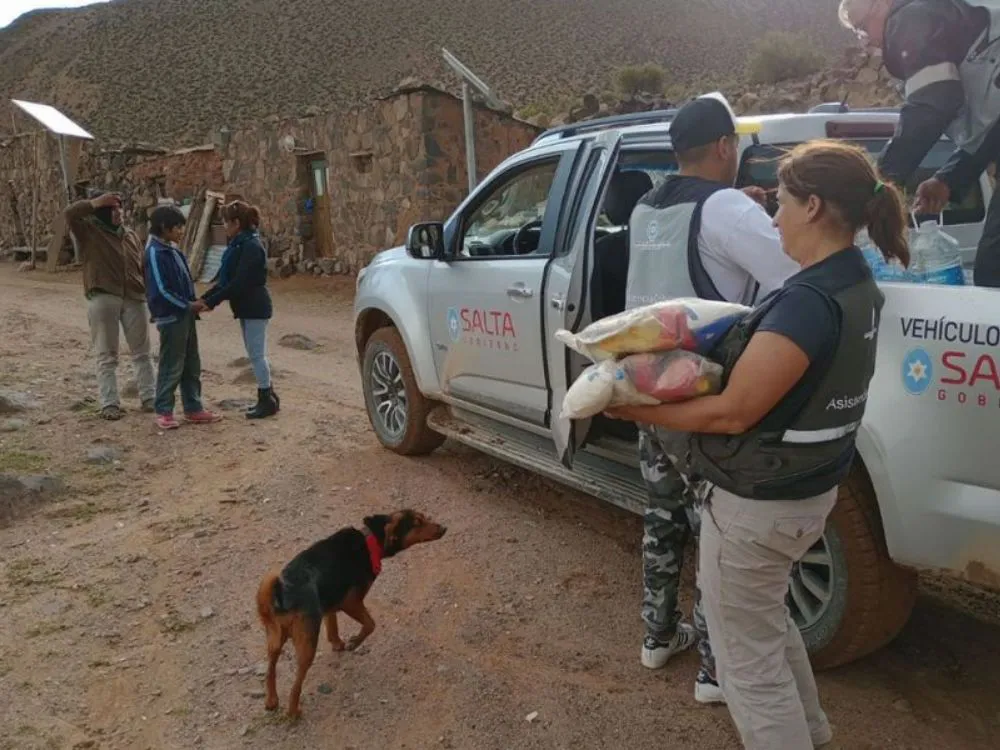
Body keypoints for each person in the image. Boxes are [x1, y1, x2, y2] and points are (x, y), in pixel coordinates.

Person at [609, 140, 905, 749]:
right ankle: (815, 732)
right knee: (767, 623)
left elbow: (733, 411)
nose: (773, 221)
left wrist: (627, 405)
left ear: (814, 207)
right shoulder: (854, 282)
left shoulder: (806, 304)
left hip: (757, 505)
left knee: (749, 667)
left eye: (781, 205)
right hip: (807, 490)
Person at [624, 92, 801, 704]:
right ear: (726, 147)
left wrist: (741, 213)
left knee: (662, 516)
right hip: (707, 402)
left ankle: (655, 636)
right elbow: (798, 272)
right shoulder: (725, 207)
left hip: (651, 392)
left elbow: (696, 249)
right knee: (715, 531)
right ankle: (713, 672)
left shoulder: (648, 205)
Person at [837, 0, 1000, 285]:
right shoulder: (941, 18)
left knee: (994, 269)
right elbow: (993, 127)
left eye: (862, 27)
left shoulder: (909, 19)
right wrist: (947, 180)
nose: (868, 42)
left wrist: (878, 180)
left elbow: (934, 102)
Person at [64, 191, 155, 420]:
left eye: (119, 208)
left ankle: (149, 397)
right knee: (107, 354)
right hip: (104, 296)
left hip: (134, 296)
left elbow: (142, 267)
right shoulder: (89, 231)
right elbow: (69, 214)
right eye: (111, 209)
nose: (117, 213)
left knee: (142, 352)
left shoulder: (131, 236)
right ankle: (110, 403)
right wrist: (95, 202)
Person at [198, 201, 279, 419]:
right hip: (247, 306)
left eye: (226, 222)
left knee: (256, 355)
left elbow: (238, 283)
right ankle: (269, 394)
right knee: (255, 353)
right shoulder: (239, 245)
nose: (224, 226)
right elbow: (227, 281)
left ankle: (266, 397)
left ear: (236, 223)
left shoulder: (250, 247)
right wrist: (205, 299)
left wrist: (210, 302)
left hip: (254, 306)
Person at [144, 205, 222, 430]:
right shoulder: (155, 253)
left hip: (185, 315)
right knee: (171, 364)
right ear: (163, 228)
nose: (180, 232)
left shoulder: (172, 250)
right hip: (171, 317)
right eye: (177, 227)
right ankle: (164, 410)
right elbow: (160, 290)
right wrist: (187, 305)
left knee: (191, 363)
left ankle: (193, 407)